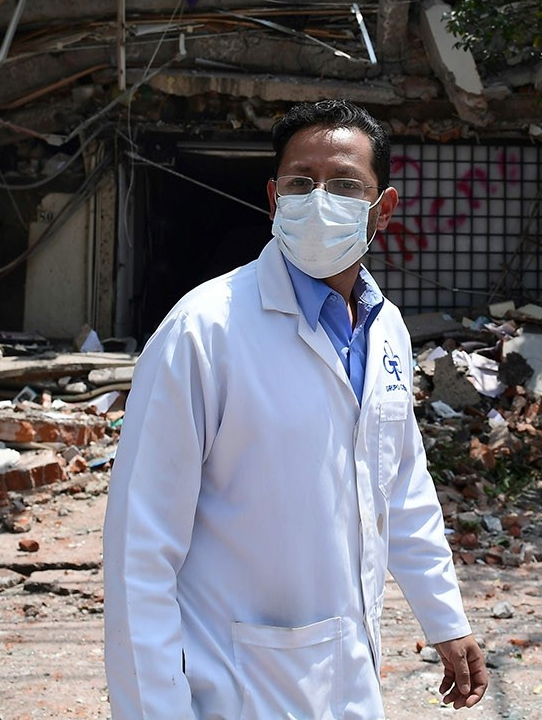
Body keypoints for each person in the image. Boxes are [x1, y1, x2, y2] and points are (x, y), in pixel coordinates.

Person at [103, 99, 488, 719]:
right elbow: (139, 550)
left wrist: (445, 617)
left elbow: (402, 486)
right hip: (232, 684)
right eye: (299, 183)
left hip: (347, 677)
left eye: (342, 185)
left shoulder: (385, 330)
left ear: (382, 210)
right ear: (273, 198)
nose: (317, 199)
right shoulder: (204, 331)